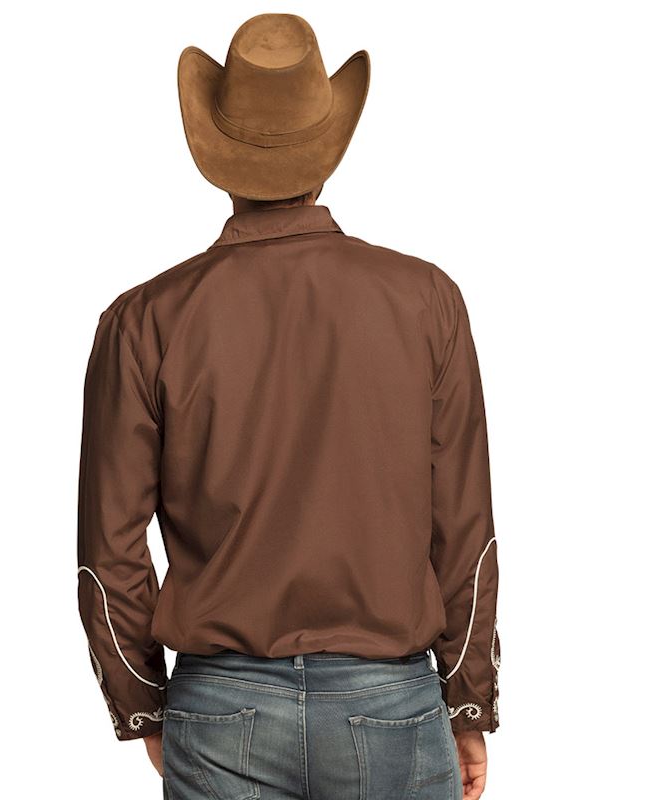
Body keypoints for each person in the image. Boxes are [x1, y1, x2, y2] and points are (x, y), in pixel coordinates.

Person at [76, 12, 501, 800]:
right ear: (327, 155)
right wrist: (468, 702)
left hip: (219, 712)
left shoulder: (144, 320)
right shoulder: (426, 301)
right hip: (392, 706)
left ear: (219, 160)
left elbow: (109, 552)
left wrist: (144, 708)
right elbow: (465, 529)